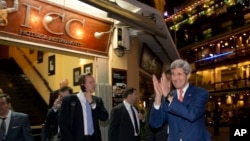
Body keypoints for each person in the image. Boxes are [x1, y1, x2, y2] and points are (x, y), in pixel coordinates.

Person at [150, 59, 211, 141]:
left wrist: (168, 96)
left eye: (179, 74)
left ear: (188, 75)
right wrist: (158, 98)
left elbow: (192, 114)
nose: (175, 78)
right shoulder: (169, 96)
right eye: (173, 74)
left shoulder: (200, 93)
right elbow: (155, 124)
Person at [59, 73, 109, 141]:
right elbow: (63, 125)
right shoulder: (69, 100)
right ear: (83, 85)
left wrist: (92, 103)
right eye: (91, 82)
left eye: (94, 81)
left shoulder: (97, 100)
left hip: (94, 138)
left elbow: (104, 117)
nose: (94, 84)